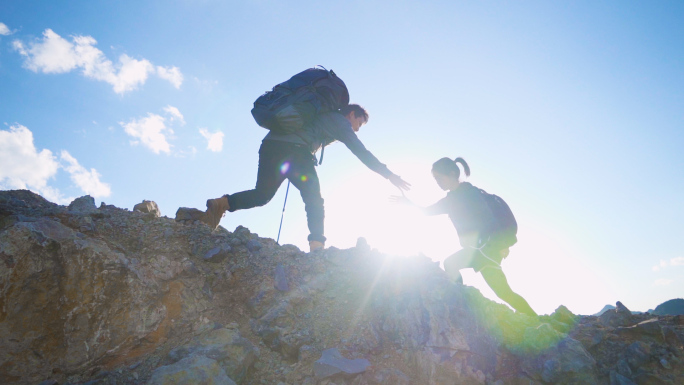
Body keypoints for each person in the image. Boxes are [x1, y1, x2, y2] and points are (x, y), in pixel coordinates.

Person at [203, 104, 411, 252]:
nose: (357, 128)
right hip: (296, 151)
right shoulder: (340, 122)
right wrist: (389, 175)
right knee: (313, 198)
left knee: (263, 194)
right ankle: (317, 246)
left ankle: (221, 204)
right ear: (350, 114)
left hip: (271, 145)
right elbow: (361, 152)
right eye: (359, 122)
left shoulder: (320, 115)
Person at [393, 157, 537, 317]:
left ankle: (462, 304)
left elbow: (489, 218)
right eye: (435, 179)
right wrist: (408, 204)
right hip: (480, 250)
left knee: (453, 265)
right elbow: (427, 212)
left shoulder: (469, 194)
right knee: (503, 292)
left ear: (452, 173)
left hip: (486, 249)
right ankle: (533, 318)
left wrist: (503, 244)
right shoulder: (452, 198)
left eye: (439, 177)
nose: (437, 182)